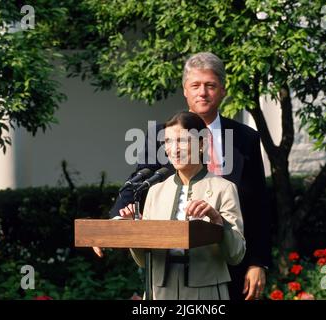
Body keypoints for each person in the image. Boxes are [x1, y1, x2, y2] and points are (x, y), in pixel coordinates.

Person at [100, 52, 271, 300]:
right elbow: (137, 184)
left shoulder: (246, 138)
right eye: (195, 85)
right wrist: (113, 225)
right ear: (185, 91)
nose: (203, 92)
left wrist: (259, 262)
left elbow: (259, 205)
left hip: (231, 261)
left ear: (223, 90)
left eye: (210, 85)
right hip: (168, 274)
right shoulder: (160, 134)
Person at [122, 111, 245, 300]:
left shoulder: (224, 188)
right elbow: (143, 261)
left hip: (205, 290)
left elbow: (236, 254)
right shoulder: (155, 190)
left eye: (182, 141)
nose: (174, 149)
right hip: (159, 290)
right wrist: (134, 231)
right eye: (168, 142)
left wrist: (217, 220)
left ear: (202, 143)